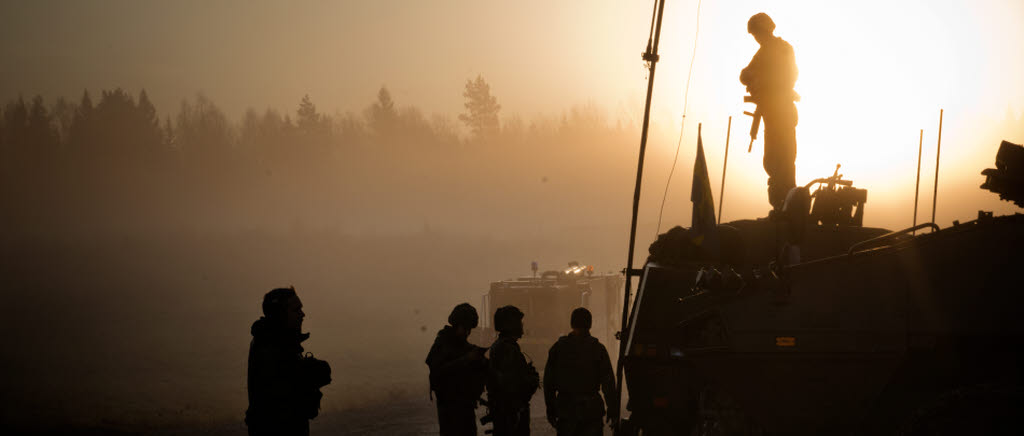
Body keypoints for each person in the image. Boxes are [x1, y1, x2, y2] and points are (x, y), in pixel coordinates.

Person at [246, 287, 331, 436]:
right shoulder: (272, 346)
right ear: (280, 314)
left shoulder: (275, 340)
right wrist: (311, 372)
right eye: (296, 310)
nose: (303, 314)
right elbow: (284, 395)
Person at [740, 12, 800, 211]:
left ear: (764, 31)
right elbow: (744, 75)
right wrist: (755, 79)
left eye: (757, 34)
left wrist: (763, 82)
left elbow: (789, 77)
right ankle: (781, 205)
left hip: (781, 113)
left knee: (782, 161)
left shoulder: (781, 49)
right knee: (774, 162)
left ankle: (787, 205)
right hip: (772, 115)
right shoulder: (764, 52)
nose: (756, 38)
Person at [543, 308, 618, 436]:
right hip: (591, 412)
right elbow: (608, 383)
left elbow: (548, 382)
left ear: (572, 323)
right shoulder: (598, 349)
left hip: (566, 411)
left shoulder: (558, 348)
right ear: (590, 324)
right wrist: (612, 409)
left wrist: (550, 409)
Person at [426, 303, 489, 436]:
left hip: (465, 406)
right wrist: (466, 359)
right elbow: (438, 372)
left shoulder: (462, 345)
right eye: (464, 328)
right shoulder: (442, 344)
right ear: (456, 325)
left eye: (469, 329)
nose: (467, 333)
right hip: (450, 408)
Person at [487, 305, 540, 436]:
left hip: (507, 411)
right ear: (511, 325)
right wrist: (532, 379)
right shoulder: (507, 349)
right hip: (511, 412)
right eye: (519, 322)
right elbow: (512, 384)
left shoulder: (502, 346)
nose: (522, 326)